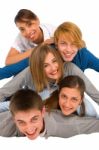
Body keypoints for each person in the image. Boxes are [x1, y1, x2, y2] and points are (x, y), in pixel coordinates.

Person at [0, 44, 99, 112]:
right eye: (45, 65)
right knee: (43, 97)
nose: (53, 68)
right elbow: (4, 91)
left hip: (60, 100)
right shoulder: (30, 72)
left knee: (88, 109)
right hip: (31, 101)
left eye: (54, 61)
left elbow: (93, 92)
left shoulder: (70, 68)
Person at [1, 88, 99, 139]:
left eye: (34, 119)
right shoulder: (4, 123)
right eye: (21, 122)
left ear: (43, 112)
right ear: (14, 119)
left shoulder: (65, 125)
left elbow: (95, 124)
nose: (29, 128)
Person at [0, 9, 55, 80]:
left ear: (37, 20)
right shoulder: (21, 37)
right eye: (22, 29)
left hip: (51, 67)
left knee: (31, 59)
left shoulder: (52, 31)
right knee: (20, 70)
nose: (27, 32)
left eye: (30, 24)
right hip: (32, 70)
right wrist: (37, 48)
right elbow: (8, 61)